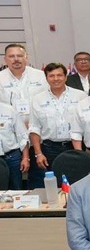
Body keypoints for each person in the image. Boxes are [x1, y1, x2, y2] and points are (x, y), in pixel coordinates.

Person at [29, 62, 88, 187]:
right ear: (46, 78)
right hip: (49, 148)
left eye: (59, 75)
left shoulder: (80, 96)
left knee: (78, 182)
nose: (56, 79)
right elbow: (34, 128)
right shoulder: (37, 99)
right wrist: (38, 153)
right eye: (51, 76)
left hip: (74, 146)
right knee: (53, 185)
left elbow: (86, 123)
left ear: (66, 77)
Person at [0, 43, 47, 188]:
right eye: (11, 56)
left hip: (38, 132)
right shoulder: (0, 78)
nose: (16, 59)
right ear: (5, 59)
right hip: (11, 135)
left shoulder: (40, 76)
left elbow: (46, 100)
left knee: (39, 175)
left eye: (19, 55)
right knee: (16, 176)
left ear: (26, 57)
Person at [0, 98, 28, 190]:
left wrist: (25, 158)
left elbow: (23, 136)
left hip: (11, 158)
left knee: (16, 191)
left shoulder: (9, 110)